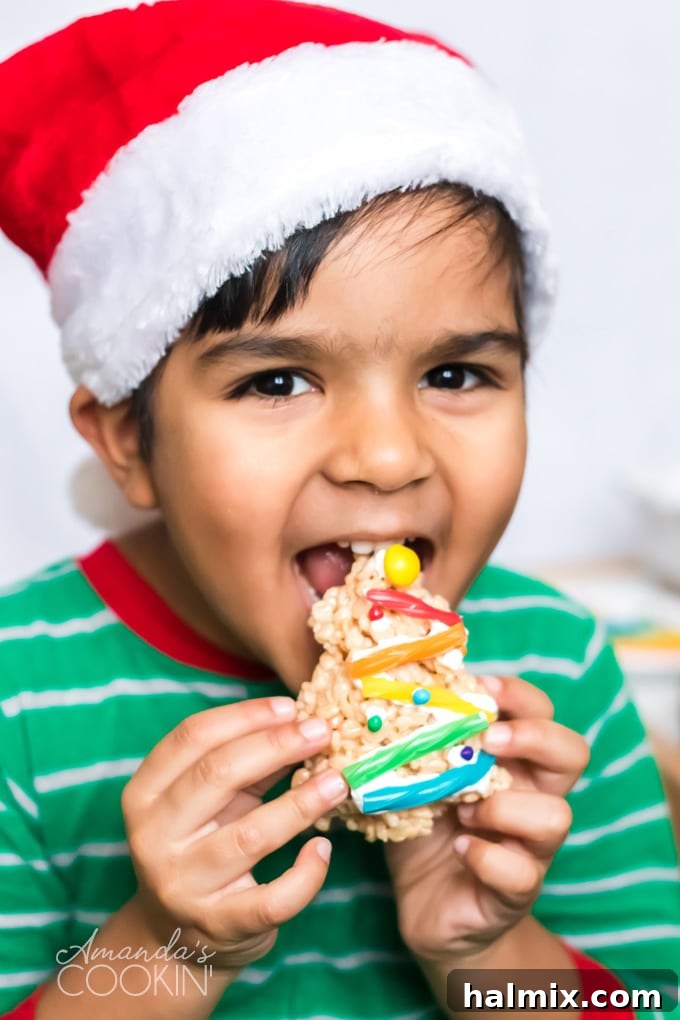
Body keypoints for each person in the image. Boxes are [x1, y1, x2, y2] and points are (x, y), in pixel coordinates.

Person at [0, 1, 678, 1017]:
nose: (388, 454)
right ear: (130, 440)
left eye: (454, 372)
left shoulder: (555, 670)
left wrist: (484, 953)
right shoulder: (18, 697)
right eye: (276, 382)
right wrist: (166, 949)